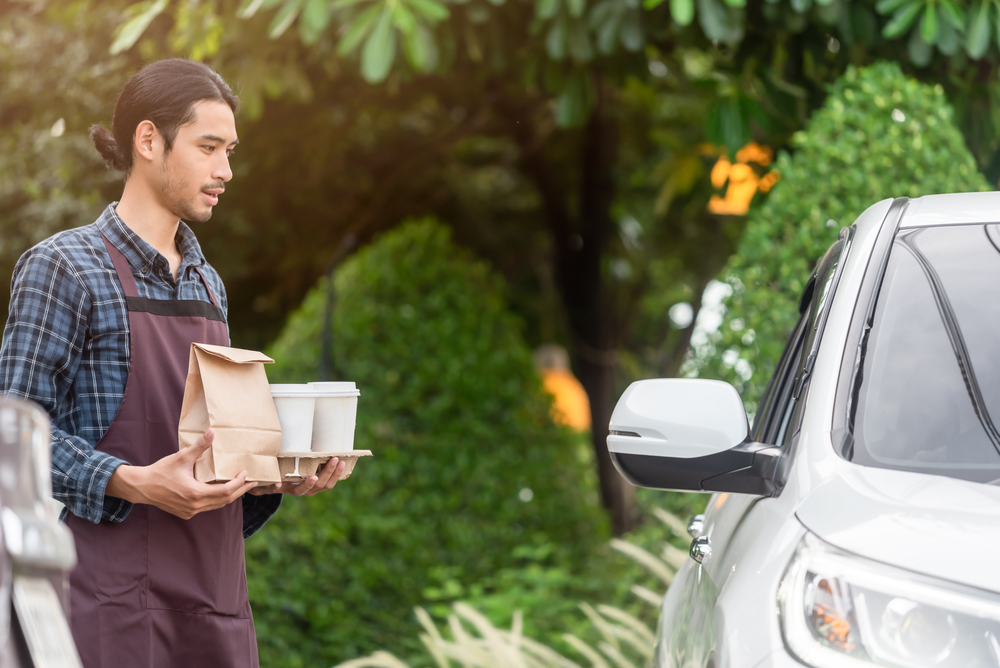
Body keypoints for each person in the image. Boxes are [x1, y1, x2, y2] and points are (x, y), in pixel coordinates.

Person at [0, 58, 345, 668]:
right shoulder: (65, 268)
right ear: (148, 140)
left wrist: (277, 475)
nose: (225, 171)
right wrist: (134, 481)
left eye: (230, 150)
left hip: (212, 606)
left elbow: (211, 451)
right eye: (208, 147)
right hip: (104, 607)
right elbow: (15, 441)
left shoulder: (209, 283)